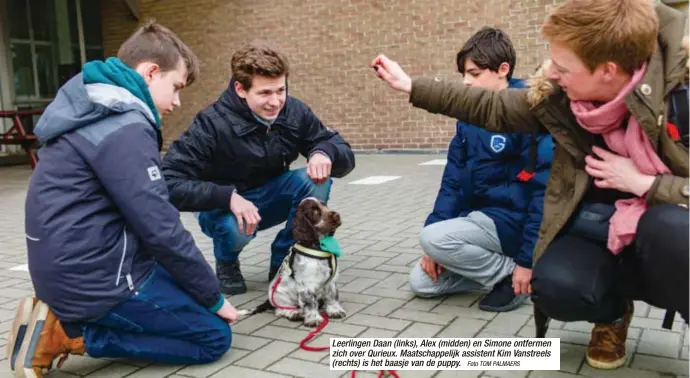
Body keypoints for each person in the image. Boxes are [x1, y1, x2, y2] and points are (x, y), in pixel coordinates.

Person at [372, 0, 688, 370]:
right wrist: (411, 86)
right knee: (552, 286)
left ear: (607, 70)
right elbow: (492, 108)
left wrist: (645, 183)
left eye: (563, 67)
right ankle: (612, 316)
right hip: (593, 225)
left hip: (660, 229)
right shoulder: (561, 100)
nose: (550, 73)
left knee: (671, 231)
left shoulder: (679, 99)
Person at [8, 21, 237, 378]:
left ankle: (65, 319)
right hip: (96, 280)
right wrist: (213, 296)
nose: (177, 102)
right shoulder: (125, 126)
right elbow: (160, 227)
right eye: (176, 88)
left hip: (75, 269)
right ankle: (68, 335)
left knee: (189, 299)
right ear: (150, 72)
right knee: (213, 336)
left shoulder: (92, 108)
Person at [161, 40, 355, 296]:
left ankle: (285, 257)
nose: (275, 102)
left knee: (316, 180)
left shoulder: (294, 111)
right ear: (241, 89)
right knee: (234, 230)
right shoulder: (211, 124)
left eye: (280, 90)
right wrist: (226, 197)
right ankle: (227, 262)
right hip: (224, 207)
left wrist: (324, 152)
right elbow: (167, 182)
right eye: (265, 93)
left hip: (271, 194)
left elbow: (340, 152)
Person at [408, 27, 554, 314]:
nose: (465, 82)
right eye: (464, 74)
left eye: (474, 74)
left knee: (435, 239)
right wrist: (435, 245)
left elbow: (543, 194)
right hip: (478, 222)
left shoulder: (529, 111)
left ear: (503, 69)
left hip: (513, 224)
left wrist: (527, 260)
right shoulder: (467, 120)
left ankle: (513, 275)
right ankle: (493, 272)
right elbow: (452, 184)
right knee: (422, 283)